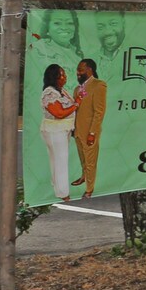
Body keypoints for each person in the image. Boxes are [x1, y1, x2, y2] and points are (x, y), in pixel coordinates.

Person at [37, 63, 77, 202]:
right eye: (62, 74)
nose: (65, 77)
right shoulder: (50, 93)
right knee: (60, 160)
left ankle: (58, 188)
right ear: (54, 77)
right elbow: (59, 113)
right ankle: (63, 193)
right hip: (55, 131)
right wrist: (76, 105)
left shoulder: (61, 91)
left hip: (63, 130)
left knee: (57, 159)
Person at [72, 58, 107, 197]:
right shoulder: (77, 89)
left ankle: (89, 188)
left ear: (90, 70)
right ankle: (83, 176)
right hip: (78, 131)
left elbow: (99, 112)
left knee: (91, 161)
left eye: (81, 70)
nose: (78, 72)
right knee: (82, 158)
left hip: (89, 132)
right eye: (77, 70)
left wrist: (92, 132)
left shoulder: (99, 85)